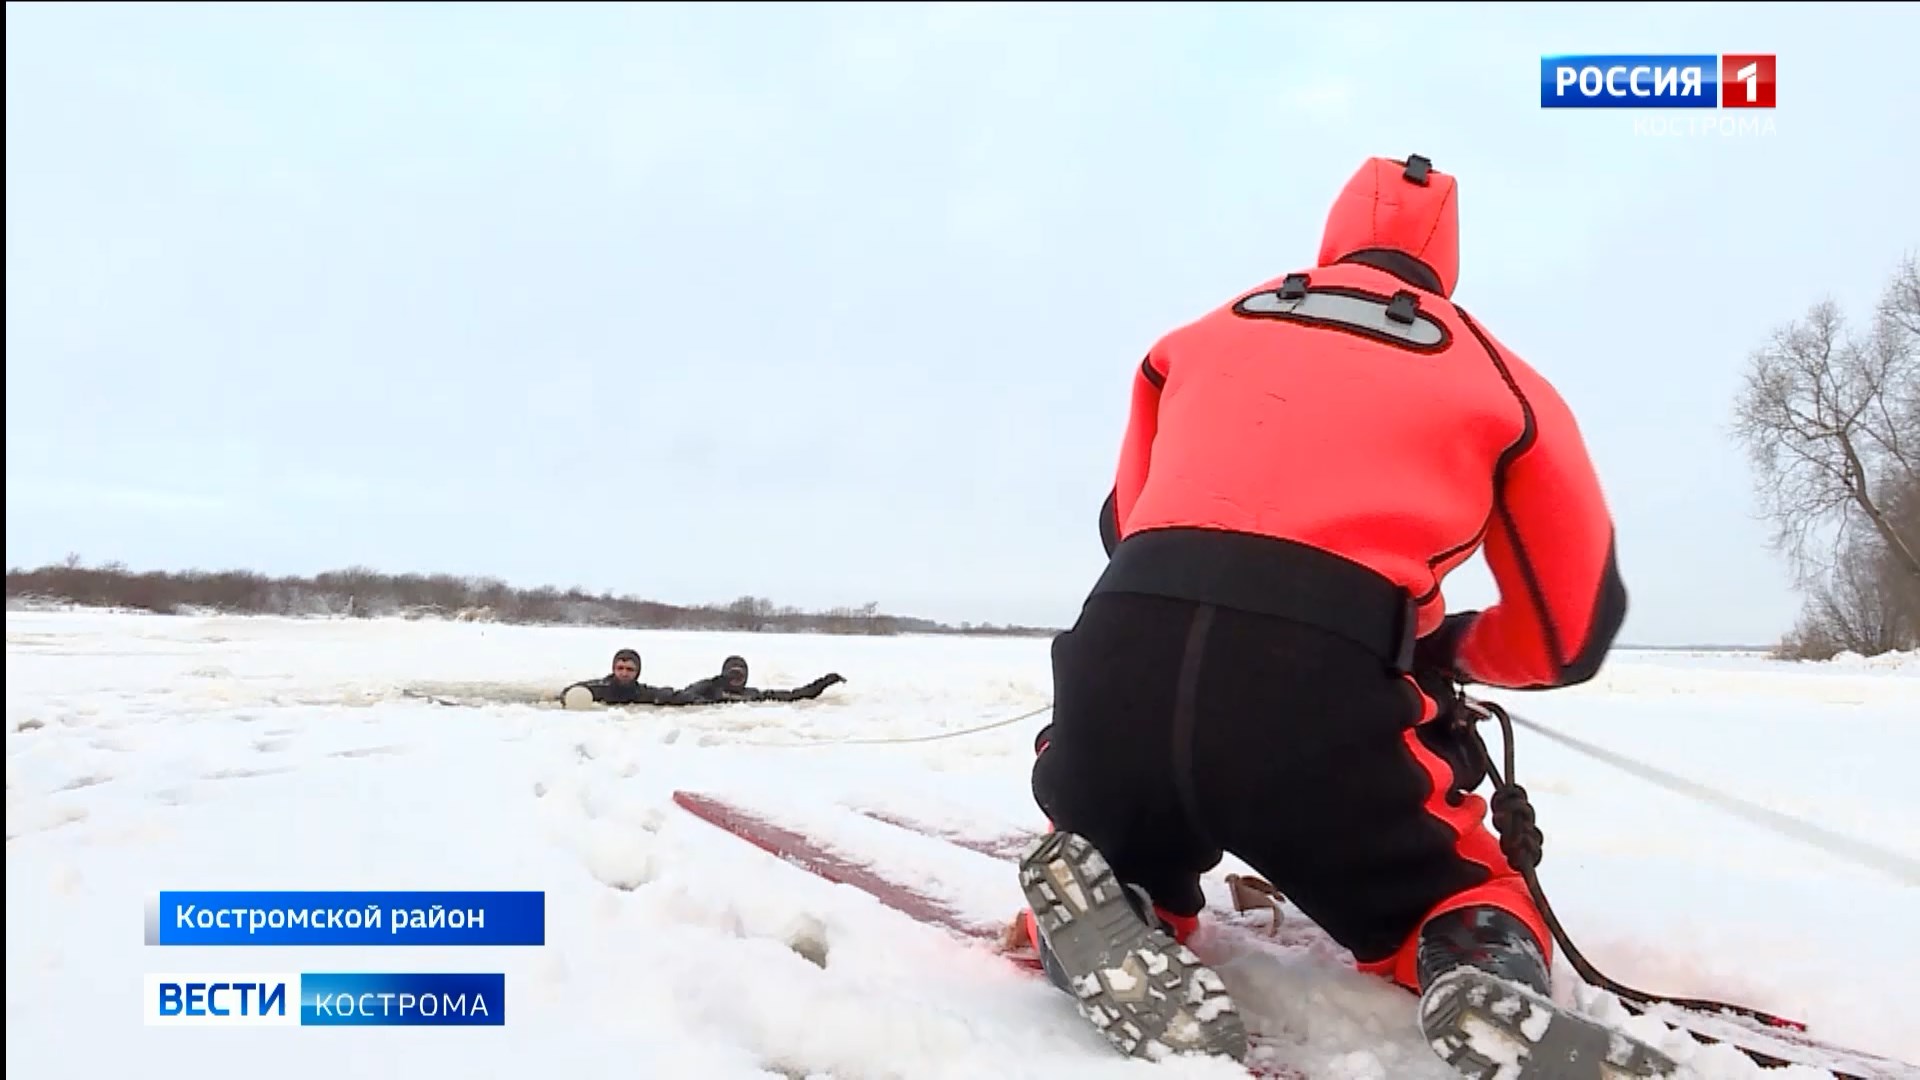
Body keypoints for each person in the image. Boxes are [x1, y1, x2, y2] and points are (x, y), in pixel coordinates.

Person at [1011, 154, 1668, 1080]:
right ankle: (1484, 966)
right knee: (1454, 886)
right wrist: (1449, 646)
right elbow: (1569, 630)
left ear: (1335, 232)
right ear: (1446, 255)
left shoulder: (1192, 338)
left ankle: (1105, 898)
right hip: (1320, 691)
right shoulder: (1500, 377)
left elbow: (1128, 521)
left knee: (1111, 836)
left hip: (1122, 655)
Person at [667, 655, 845, 705]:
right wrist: (717, 681)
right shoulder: (710, 688)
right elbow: (684, 695)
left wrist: (824, 682)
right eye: (733, 673)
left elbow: (794, 696)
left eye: (741, 674)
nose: (737, 678)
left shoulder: (753, 695)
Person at [559, 648, 679, 706]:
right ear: (613, 669)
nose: (624, 673)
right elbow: (568, 692)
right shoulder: (600, 688)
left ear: (637, 672)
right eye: (620, 668)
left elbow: (670, 695)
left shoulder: (641, 692)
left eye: (630, 669)